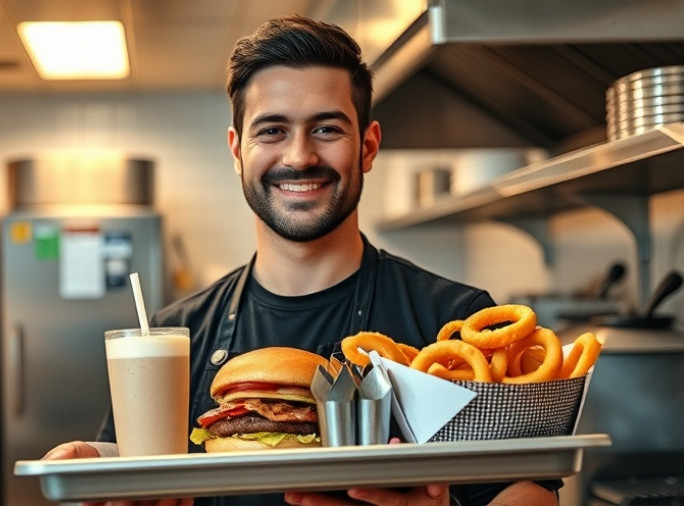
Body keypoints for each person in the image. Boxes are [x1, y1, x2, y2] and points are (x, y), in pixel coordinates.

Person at [43, 14, 560, 506]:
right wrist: (98, 469)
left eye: (327, 129)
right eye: (271, 130)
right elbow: (131, 470)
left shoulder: (457, 325)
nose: (298, 157)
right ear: (237, 151)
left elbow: (530, 489)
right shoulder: (172, 334)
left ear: (369, 147)